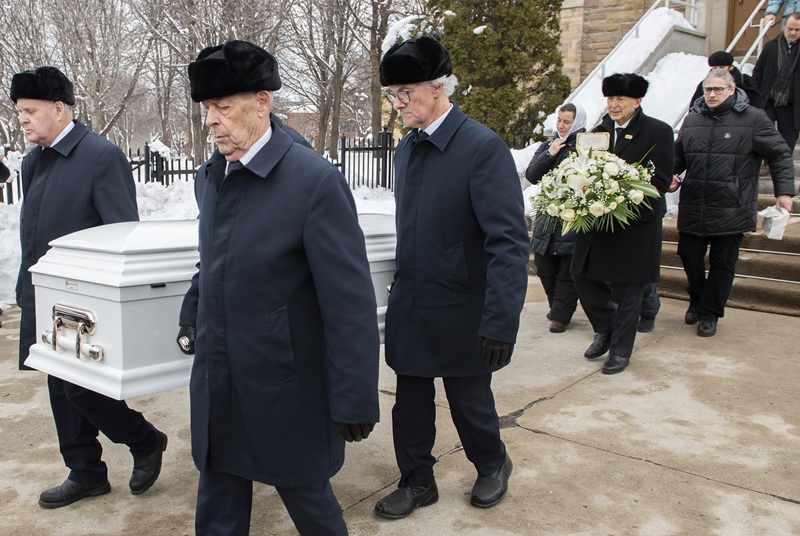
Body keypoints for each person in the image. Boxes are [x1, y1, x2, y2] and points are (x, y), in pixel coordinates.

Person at [185, 40, 380, 536]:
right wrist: (195, 303)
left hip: (284, 384)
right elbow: (215, 257)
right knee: (218, 501)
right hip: (220, 374)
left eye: (224, 108)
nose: (212, 121)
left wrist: (355, 393)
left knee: (308, 499)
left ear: (262, 103)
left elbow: (349, 301)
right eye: (208, 108)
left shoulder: (313, 182)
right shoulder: (210, 176)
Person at [374, 37, 530, 519]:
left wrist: (501, 321)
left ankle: (492, 463)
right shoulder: (407, 150)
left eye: (405, 93)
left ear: (438, 88)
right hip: (415, 300)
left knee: (469, 401)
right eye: (392, 95)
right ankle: (418, 480)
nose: (397, 105)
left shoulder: (481, 147)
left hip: (465, 305)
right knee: (411, 403)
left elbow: (508, 243)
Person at [11, 66, 167, 508]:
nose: (22, 119)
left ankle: (144, 439)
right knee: (59, 387)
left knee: (80, 387)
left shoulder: (101, 156)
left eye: (29, 110)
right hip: (45, 292)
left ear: (58, 109)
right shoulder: (33, 161)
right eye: (19, 111)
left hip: (89, 299)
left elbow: (123, 232)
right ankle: (85, 472)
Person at [673, 69, 795, 336]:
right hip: (694, 203)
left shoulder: (753, 119)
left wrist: (784, 191)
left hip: (732, 204)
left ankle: (709, 313)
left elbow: (780, 154)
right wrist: (670, 173)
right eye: (708, 89)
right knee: (688, 255)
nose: (712, 94)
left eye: (718, 89)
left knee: (723, 262)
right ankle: (697, 298)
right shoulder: (692, 120)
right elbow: (679, 156)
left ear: (731, 90)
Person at [571, 73, 674, 375]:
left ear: (638, 101)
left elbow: (661, 180)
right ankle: (605, 328)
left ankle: (620, 350)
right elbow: (582, 168)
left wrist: (621, 191)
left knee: (630, 290)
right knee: (581, 275)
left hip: (636, 222)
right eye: (611, 99)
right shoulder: (598, 131)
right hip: (596, 220)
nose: (614, 105)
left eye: (621, 99)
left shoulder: (658, 131)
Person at [525, 103, 586, 333]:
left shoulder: (584, 145)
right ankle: (557, 308)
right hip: (547, 215)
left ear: (577, 123)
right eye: (559, 120)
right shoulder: (548, 145)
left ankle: (561, 315)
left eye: (567, 121)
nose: (561, 125)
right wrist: (550, 153)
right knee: (544, 265)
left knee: (566, 269)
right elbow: (532, 174)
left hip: (571, 215)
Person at [753, 13, 800, 152]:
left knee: (788, 142)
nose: (792, 32)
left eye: (797, 30)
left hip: (792, 105)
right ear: (784, 26)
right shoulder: (770, 46)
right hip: (768, 101)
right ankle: (768, 160)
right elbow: (758, 72)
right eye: (789, 28)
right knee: (762, 136)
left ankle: (781, 167)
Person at [688, 51, 761, 109]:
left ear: (730, 67)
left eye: (722, 67)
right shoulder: (705, 84)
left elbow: (756, 106)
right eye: (715, 68)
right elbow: (695, 107)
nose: (718, 70)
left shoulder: (745, 81)